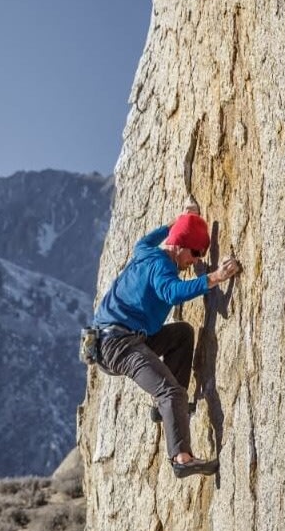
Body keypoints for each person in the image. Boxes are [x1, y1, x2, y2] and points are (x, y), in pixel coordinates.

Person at [93, 203, 240, 478]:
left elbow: (146, 239)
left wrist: (180, 220)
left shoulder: (146, 251)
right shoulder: (162, 266)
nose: (196, 261)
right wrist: (216, 277)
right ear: (180, 245)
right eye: (195, 253)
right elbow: (172, 293)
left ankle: (171, 412)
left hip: (121, 338)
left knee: (182, 334)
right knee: (169, 391)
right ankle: (181, 458)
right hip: (119, 344)